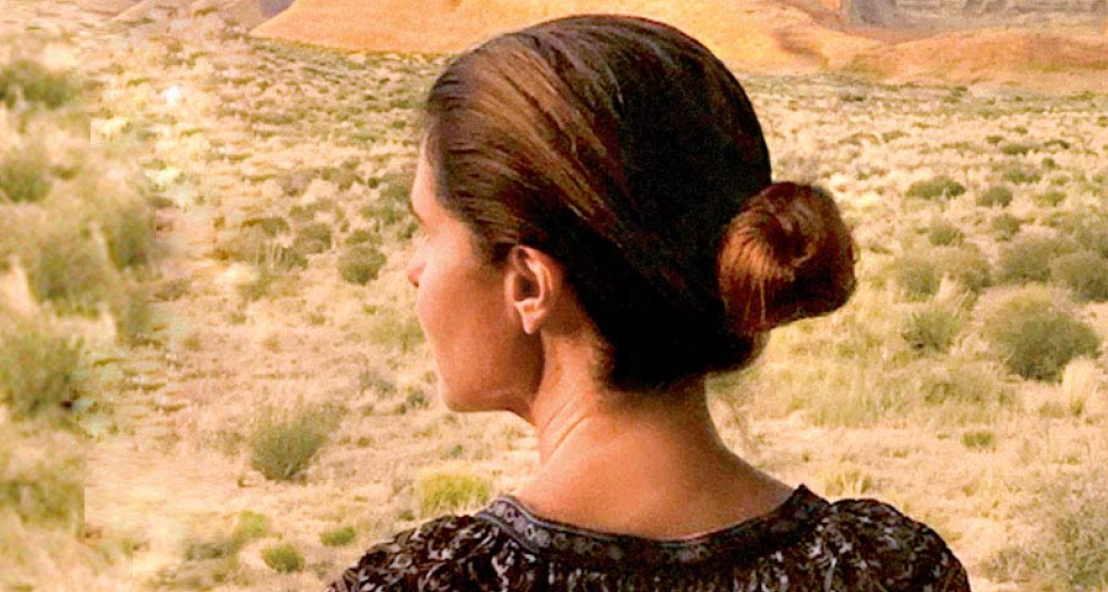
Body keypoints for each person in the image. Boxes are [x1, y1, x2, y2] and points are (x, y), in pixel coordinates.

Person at [328, 14, 970, 592]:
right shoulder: (892, 572)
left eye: (428, 230)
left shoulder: (432, 584)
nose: (414, 270)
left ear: (528, 285)